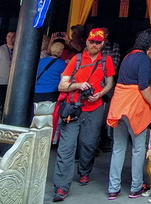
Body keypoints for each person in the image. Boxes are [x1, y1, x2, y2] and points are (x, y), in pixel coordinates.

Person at [52, 27, 116, 202]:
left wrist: (101, 94)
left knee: (89, 144)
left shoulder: (106, 61)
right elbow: (61, 86)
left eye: (98, 42)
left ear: (103, 43)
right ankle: (61, 187)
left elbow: (110, 82)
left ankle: (84, 172)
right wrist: (77, 85)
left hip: (94, 108)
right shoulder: (77, 59)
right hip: (73, 108)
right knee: (66, 148)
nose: (94, 45)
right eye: (92, 41)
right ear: (87, 41)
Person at [106, 30, 151, 200]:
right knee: (138, 148)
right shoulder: (144, 59)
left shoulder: (128, 56)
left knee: (118, 148)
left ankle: (113, 188)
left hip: (119, 103)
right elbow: (143, 86)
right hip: (134, 106)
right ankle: (136, 187)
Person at [0, 30, 15, 115]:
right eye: (9, 36)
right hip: (0, 81)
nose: (11, 38)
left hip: (13, 83)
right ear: (6, 38)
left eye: (13, 36)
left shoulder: (19, 50)